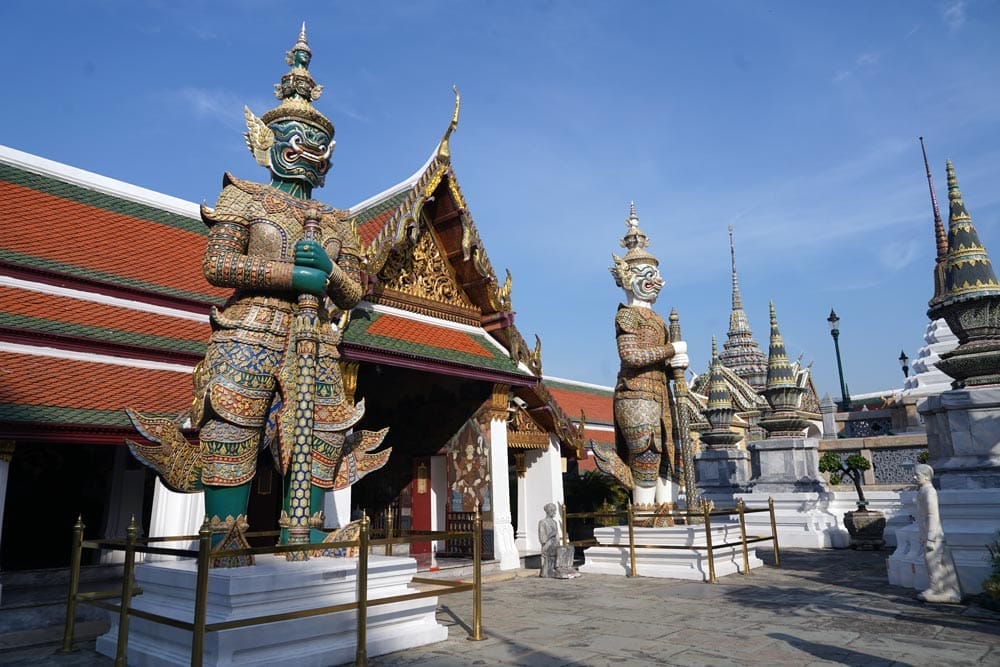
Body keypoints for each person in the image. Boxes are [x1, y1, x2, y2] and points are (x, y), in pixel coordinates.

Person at [126, 26, 389, 555]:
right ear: (267, 141)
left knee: (323, 431)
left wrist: (330, 275)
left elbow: (356, 289)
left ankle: (308, 527)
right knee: (233, 420)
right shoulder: (242, 198)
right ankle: (224, 532)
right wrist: (294, 276)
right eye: (297, 138)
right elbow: (217, 265)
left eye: (318, 144)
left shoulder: (339, 223)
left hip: (315, 336)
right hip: (250, 327)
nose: (308, 151)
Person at [601, 204, 688, 507]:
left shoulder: (660, 320)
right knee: (647, 457)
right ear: (628, 278)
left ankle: (665, 519)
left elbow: (660, 359)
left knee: (669, 460)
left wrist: (676, 362)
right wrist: (670, 350)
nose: (657, 281)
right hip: (635, 393)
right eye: (649, 274)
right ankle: (643, 519)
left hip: (661, 395)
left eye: (658, 274)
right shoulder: (627, 316)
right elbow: (631, 357)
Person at [914, 463, 962, 603]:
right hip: (928, 533)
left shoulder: (929, 491)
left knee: (933, 562)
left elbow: (933, 515)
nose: (914, 477)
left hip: (933, 535)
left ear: (927, 476)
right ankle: (946, 590)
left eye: (918, 475)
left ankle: (937, 588)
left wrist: (930, 538)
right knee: (937, 563)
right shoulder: (922, 490)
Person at [538, 502, 560, 578]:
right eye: (553, 510)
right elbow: (542, 538)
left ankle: (554, 569)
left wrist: (558, 544)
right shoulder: (542, 522)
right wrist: (551, 535)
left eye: (555, 510)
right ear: (548, 511)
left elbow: (557, 536)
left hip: (554, 544)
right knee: (550, 552)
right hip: (547, 545)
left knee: (559, 551)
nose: (554, 512)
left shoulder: (555, 522)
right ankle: (546, 572)